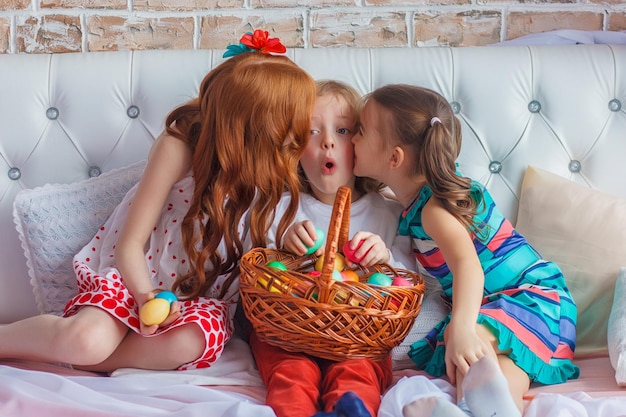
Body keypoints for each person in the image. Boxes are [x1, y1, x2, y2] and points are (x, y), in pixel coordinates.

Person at [0, 30, 317, 373]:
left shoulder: (273, 171)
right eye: (289, 125)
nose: (297, 136)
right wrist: (144, 296)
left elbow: (261, 257)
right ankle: (41, 346)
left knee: (191, 341)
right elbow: (130, 244)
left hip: (196, 301)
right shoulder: (179, 149)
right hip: (136, 278)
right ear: (251, 130)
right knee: (87, 340)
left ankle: (90, 362)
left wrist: (284, 242)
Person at [351, 84, 580, 417]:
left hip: (531, 300)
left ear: (394, 158)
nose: (352, 139)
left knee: (465, 347)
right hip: (532, 310)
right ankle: (494, 410)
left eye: (359, 131)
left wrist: (460, 326)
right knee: (492, 365)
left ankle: (469, 407)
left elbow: (467, 266)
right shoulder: (428, 198)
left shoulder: (434, 211)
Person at [248, 80, 416, 417]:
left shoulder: (388, 213)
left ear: (363, 143)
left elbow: (409, 282)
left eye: (342, 130)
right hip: (288, 330)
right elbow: (258, 272)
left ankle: (349, 410)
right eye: (312, 132)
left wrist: (384, 258)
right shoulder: (281, 210)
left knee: (359, 373)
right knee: (291, 374)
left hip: (361, 334)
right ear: (294, 151)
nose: (327, 141)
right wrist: (283, 244)